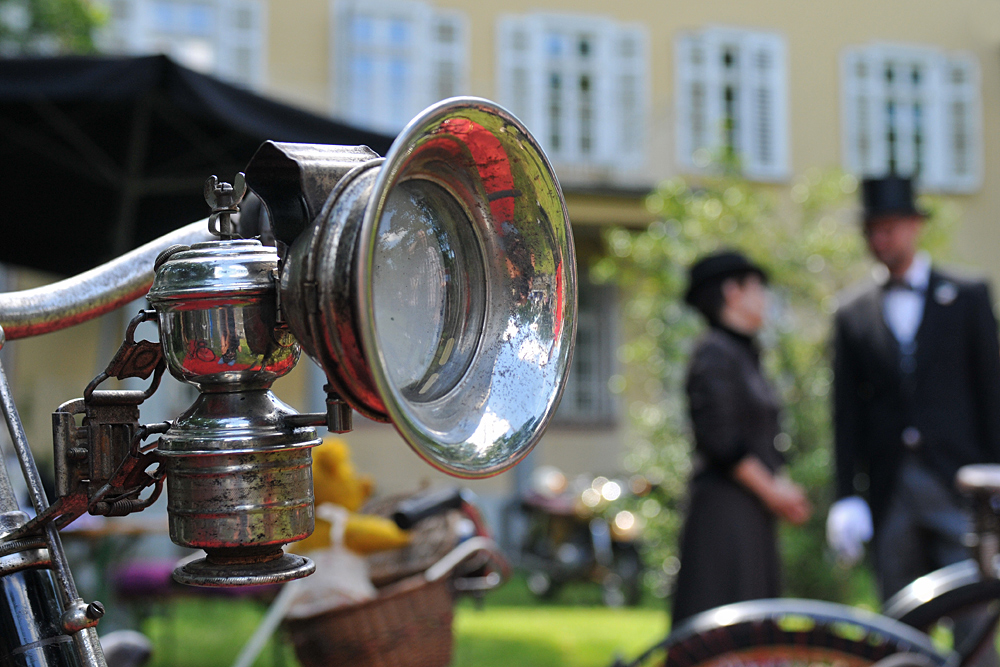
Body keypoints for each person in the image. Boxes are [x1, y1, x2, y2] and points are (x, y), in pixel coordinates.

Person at [827, 176, 1000, 604]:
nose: (880, 239)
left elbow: (992, 393)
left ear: (914, 227)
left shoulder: (967, 297)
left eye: (889, 227)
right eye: (872, 230)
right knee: (901, 614)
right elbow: (846, 412)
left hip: (959, 482)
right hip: (891, 488)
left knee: (972, 609)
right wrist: (846, 495)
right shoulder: (852, 313)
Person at [672, 250, 812, 626]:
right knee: (725, 627)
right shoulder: (713, 354)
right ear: (732, 292)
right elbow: (722, 442)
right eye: (758, 288)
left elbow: (759, 436)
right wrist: (773, 491)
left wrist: (779, 484)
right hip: (724, 517)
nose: (764, 298)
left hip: (748, 512)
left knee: (753, 627)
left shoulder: (742, 353)